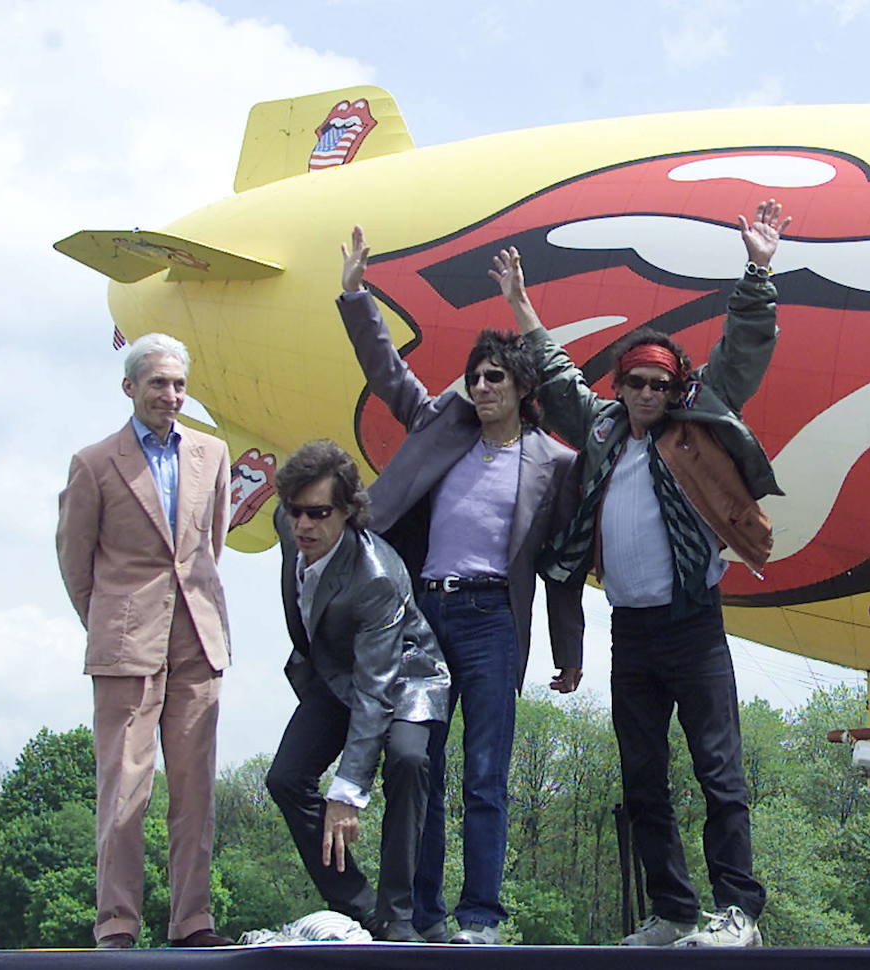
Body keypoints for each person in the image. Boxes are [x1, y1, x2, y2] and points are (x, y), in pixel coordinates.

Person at [491, 199, 790, 948]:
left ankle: (738, 913)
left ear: (676, 388)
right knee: (642, 778)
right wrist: (521, 304)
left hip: (693, 625)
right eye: (637, 384)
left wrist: (758, 271)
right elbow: (557, 376)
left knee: (719, 772)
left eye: (661, 384)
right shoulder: (600, 430)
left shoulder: (696, 423)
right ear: (620, 387)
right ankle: (672, 910)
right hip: (633, 631)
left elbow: (743, 352)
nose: (649, 395)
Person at [336, 227, 584, 944]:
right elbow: (387, 374)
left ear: (521, 390)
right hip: (424, 617)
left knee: (485, 778)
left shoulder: (553, 463)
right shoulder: (443, 424)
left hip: (491, 623)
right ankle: (421, 915)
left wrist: (567, 650)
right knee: (420, 768)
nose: (479, 387)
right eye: (474, 376)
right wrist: (356, 295)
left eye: (493, 378)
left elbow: (561, 568)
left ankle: (480, 918)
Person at [56, 333, 233, 949]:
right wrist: (112, 620)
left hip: (198, 640)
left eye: (179, 383)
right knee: (125, 786)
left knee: (195, 790)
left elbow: (210, 546)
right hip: (125, 644)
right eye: (158, 382)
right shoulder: (94, 462)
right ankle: (117, 925)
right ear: (130, 387)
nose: (171, 394)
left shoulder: (213, 453)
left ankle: (192, 921)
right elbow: (75, 563)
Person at [265, 440, 452, 943]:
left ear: (347, 513)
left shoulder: (376, 578)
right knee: (285, 779)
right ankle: (360, 906)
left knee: (409, 763)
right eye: (295, 511)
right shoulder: (290, 530)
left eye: (318, 513)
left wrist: (348, 791)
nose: (303, 525)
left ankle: (399, 916)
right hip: (334, 672)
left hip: (406, 675)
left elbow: (375, 692)